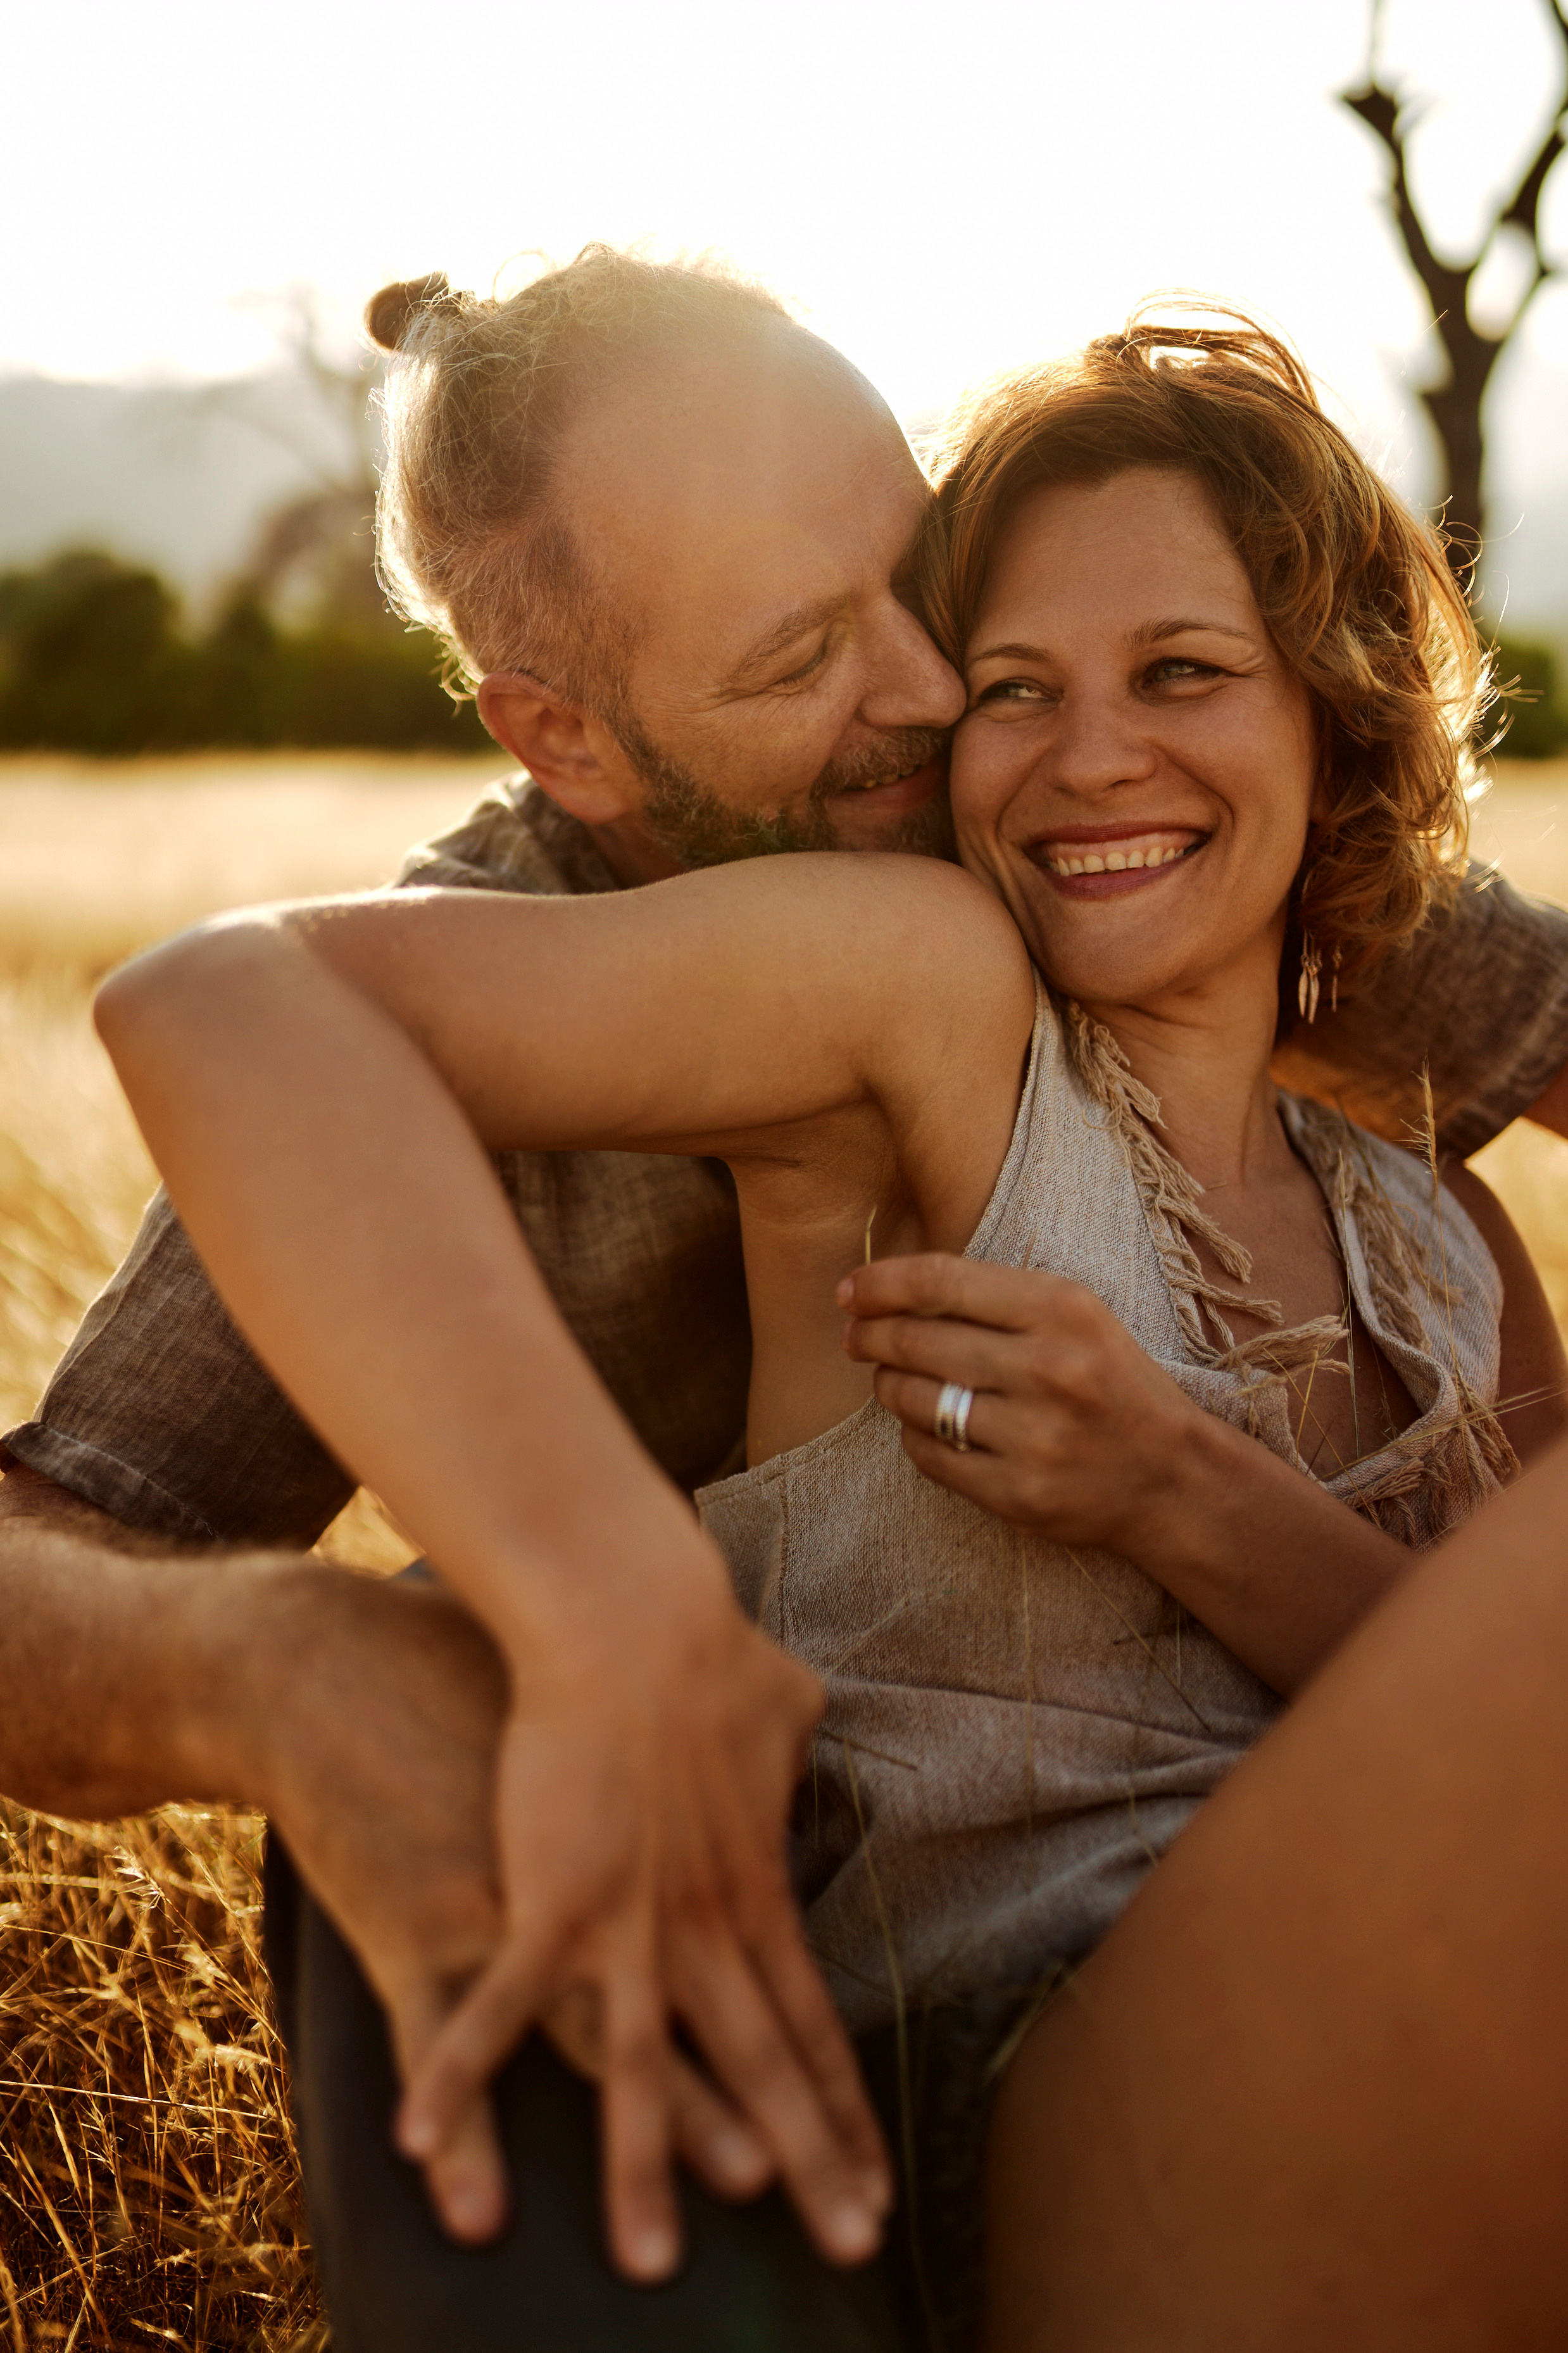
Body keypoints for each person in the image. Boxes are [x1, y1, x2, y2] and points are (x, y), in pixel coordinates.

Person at [2, 250, 1566, 2338]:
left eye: (927, 575)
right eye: (810, 650)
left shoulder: (1157, 846)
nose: (941, 692)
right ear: (566, 734)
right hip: (1010, 2037)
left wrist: (1202, 1482)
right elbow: (70, 1484)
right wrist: (357, 1646)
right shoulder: (582, 990)